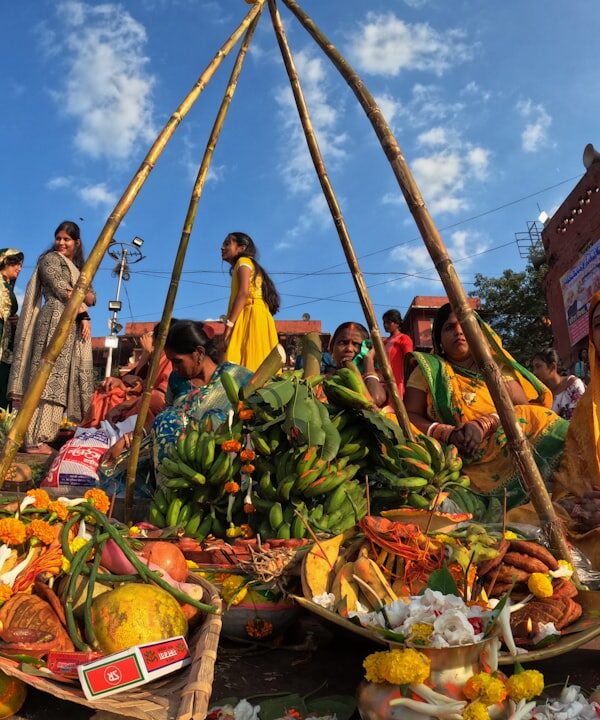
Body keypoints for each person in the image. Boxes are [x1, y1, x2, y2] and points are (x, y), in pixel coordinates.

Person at [404, 303, 568, 509]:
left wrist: (484, 424)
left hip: (507, 449)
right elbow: (409, 414)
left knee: (543, 418)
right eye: (449, 328)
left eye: (465, 326)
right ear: (439, 340)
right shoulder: (429, 370)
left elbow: (522, 408)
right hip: (457, 457)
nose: (459, 332)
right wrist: (449, 433)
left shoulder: (494, 367)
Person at [105, 320, 252, 465]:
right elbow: (162, 419)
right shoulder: (176, 380)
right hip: (177, 467)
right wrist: (128, 439)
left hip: (226, 461)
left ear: (199, 353)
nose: (174, 368)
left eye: (177, 361)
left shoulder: (236, 376)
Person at [8, 221, 95, 454]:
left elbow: (92, 296)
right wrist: (84, 312)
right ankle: (33, 439)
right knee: (46, 379)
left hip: (70, 324)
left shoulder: (78, 267)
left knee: (60, 382)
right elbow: (62, 290)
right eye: (58, 238)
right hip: (54, 319)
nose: (61, 243)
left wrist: (82, 302)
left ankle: (44, 436)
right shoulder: (49, 260)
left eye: (66, 239)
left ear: (76, 243)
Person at [552, 292, 600, 569]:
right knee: (523, 523)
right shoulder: (587, 406)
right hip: (589, 519)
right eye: (599, 324)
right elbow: (568, 481)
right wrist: (581, 507)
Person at [80, 325, 173, 428]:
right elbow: (135, 379)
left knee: (115, 395)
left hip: (151, 403)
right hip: (141, 398)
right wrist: (145, 355)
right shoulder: (154, 359)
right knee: (110, 389)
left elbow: (159, 394)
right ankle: (96, 430)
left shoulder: (169, 359)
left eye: (152, 337)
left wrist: (146, 353)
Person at [221, 232, 279, 372]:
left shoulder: (243, 262)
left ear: (241, 248)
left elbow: (243, 293)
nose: (222, 248)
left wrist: (228, 326)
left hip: (251, 316)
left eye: (227, 243)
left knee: (246, 364)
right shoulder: (246, 264)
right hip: (258, 316)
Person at [328, 322, 387, 409]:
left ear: (366, 347)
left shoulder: (376, 378)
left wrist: (369, 359)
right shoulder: (324, 381)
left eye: (356, 344)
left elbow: (376, 399)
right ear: (332, 347)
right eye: (342, 343)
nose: (349, 349)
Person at [531, 348, 585, 420]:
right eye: (533, 368)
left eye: (538, 366)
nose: (534, 372)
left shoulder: (573, 384)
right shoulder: (541, 395)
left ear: (552, 367)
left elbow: (581, 418)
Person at [0, 249, 24, 408]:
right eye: (16, 264)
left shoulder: (8, 288)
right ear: (6, 263)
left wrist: (15, 321)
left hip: (6, 347)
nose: (19, 269)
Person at [382, 308, 413, 397]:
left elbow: (409, 360)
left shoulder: (404, 338)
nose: (385, 325)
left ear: (397, 323)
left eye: (388, 322)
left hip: (398, 380)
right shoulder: (385, 342)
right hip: (384, 380)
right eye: (384, 322)